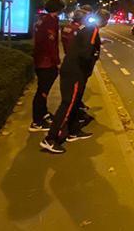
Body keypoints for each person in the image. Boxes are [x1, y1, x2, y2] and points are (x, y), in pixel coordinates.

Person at [40, 9, 110, 154]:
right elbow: (86, 53)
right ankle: (50, 138)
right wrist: (93, 57)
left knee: (75, 103)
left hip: (73, 70)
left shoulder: (87, 28)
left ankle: (72, 131)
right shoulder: (93, 30)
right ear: (104, 20)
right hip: (75, 72)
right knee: (68, 104)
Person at [30, 0, 65, 132]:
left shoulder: (41, 19)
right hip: (46, 62)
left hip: (40, 59)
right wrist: (57, 61)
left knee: (42, 89)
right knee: (42, 92)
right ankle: (37, 122)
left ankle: (43, 114)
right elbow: (51, 43)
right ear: (58, 9)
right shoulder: (50, 21)